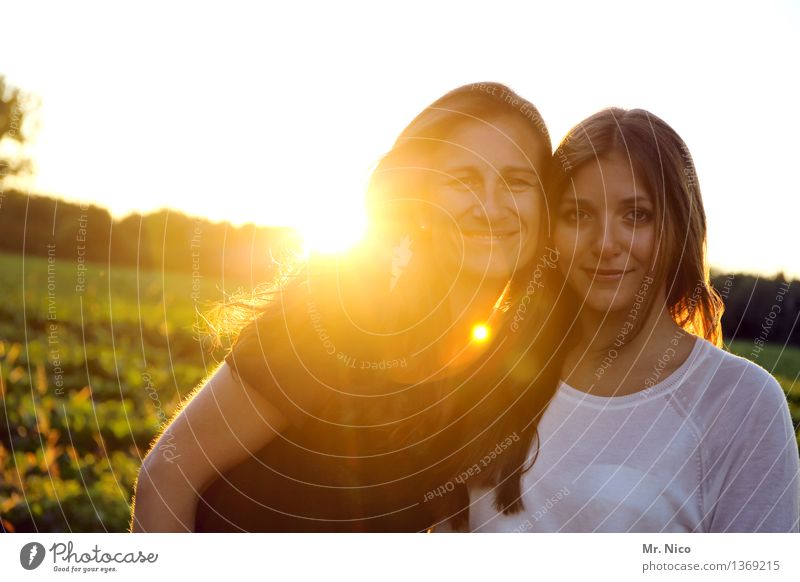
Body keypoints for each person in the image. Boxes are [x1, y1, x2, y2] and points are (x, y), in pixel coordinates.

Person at [129, 82, 561, 532]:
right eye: (463, 181)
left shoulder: (498, 361)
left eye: (517, 181)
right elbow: (168, 476)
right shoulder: (340, 308)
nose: (490, 206)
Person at [437, 107, 800, 532]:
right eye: (579, 215)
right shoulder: (490, 372)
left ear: (679, 228)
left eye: (636, 215)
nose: (606, 244)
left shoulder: (740, 402)